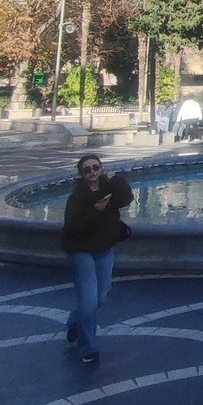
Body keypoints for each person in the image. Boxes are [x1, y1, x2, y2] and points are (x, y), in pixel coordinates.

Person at [60, 154, 133, 364]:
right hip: (81, 251)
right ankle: (88, 346)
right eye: (87, 169)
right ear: (81, 174)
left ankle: (75, 321)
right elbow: (73, 227)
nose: (92, 172)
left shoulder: (109, 190)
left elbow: (127, 198)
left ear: (101, 169)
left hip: (104, 249)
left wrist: (116, 179)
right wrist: (96, 210)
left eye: (95, 167)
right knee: (89, 300)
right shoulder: (76, 198)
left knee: (100, 297)